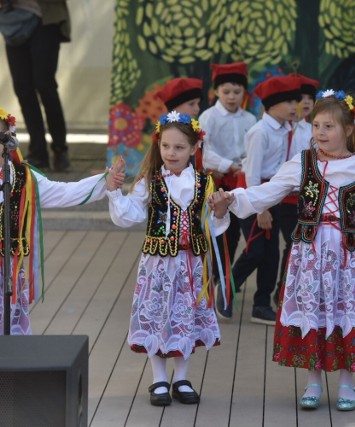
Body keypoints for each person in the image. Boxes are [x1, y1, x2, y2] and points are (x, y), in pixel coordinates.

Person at [211, 90, 355, 411]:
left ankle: (347, 383)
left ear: (348, 129)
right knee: (312, 311)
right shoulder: (302, 163)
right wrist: (232, 200)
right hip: (310, 255)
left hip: (347, 257)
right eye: (316, 125)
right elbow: (267, 192)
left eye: (329, 126)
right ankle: (313, 381)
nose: (320, 132)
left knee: (348, 313)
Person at [106, 111, 230, 406]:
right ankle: (159, 379)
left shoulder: (204, 183)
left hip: (191, 265)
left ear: (194, 149)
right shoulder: (150, 182)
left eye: (179, 148)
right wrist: (114, 192)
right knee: (158, 314)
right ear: (158, 145)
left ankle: (182, 377)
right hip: (158, 265)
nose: (171, 153)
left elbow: (211, 226)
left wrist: (221, 210)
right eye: (166, 146)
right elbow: (130, 214)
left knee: (185, 316)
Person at [0, 107, 122, 335]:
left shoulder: (22, 177)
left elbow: (63, 192)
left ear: (8, 141)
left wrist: (104, 181)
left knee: (7, 331)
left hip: (7, 268)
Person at [215, 74, 301, 325]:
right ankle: (225, 288)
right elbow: (251, 173)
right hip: (252, 196)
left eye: (295, 101)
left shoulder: (288, 128)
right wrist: (260, 209)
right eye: (288, 102)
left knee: (272, 252)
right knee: (255, 250)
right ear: (271, 105)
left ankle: (262, 304)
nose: (294, 107)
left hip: (273, 194)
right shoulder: (259, 132)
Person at [199, 62, 256, 285]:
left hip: (241, 181)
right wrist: (229, 165)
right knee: (218, 231)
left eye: (237, 91)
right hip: (218, 181)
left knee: (236, 234)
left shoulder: (250, 119)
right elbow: (205, 151)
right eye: (226, 92)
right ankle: (215, 277)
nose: (231, 96)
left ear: (244, 92)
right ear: (215, 92)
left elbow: (251, 150)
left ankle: (225, 279)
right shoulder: (208, 117)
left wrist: (244, 165)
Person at [3, 0, 71, 171]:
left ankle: (60, 149)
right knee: (23, 88)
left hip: (46, 21)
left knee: (45, 85)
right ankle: (38, 152)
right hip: (14, 23)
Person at [274, 73, 319, 307]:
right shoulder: (287, 129)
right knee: (291, 245)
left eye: (310, 98)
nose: (305, 102)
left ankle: (294, 291)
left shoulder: (314, 130)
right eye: (300, 98)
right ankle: (281, 292)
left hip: (308, 199)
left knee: (300, 246)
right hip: (287, 198)